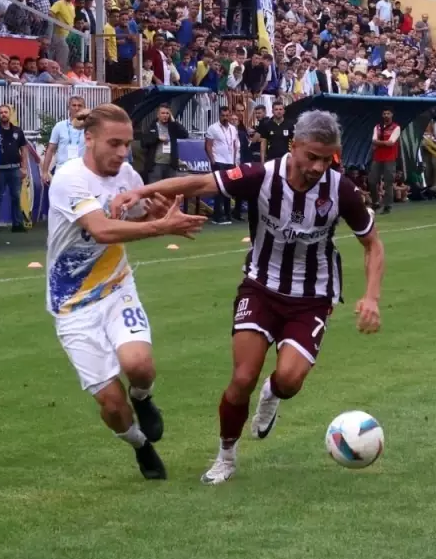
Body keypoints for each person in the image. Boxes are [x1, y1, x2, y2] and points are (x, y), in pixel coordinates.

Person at [111, 110, 384, 484]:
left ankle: (273, 393)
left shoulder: (341, 190)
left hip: (312, 297)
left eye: (327, 158)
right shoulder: (261, 176)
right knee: (242, 378)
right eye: (312, 157)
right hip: (260, 288)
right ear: (295, 147)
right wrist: (142, 191)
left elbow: (372, 244)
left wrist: (371, 297)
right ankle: (226, 456)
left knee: (288, 380)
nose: (319, 166)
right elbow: (202, 183)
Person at [46, 102, 207, 480]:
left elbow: (140, 217)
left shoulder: (128, 175)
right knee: (112, 405)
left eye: (127, 144)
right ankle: (140, 445)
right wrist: (160, 228)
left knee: (139, 365)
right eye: (114, 143)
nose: (122, 153)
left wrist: (160, 213)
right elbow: (101, 229)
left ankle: (144, 396)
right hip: (72, 306)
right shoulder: (70, 178)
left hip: (117, 289)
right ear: (89, 139)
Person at [0, 103, 30, 234]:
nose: (3, 114)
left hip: (15, 168)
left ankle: (17, 224)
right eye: (1, 112)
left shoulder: (17, 131)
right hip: (0, 169)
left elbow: (24, 149)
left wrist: (24, 168)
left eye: (5, 112)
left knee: (16, 196)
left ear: (10, 114)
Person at [204, 107, 240, 225]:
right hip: (218, 161)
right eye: (223, 115)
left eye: (227, 115)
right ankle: (217, 216)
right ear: (219, 116)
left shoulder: (233, 129)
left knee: (228, 189)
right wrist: (213, 161)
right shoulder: (213, 128)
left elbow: (234, 146)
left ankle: (228, 215)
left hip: (230, 162)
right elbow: (208, 146)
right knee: (219, 189)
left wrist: (234, 161)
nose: (225, 118)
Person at [41, 95, 87, 185]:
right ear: (69, 107)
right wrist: (45, 172)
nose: (77, 108)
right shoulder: (59, 126)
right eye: (74, 105)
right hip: (62, 171)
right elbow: (50, 149)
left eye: (80, 105)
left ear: (84, 108)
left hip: (82, 171)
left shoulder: (89, 127)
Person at [140, 104, 188, 183]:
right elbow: (143, 143)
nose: (165, 115)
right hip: (156, 165)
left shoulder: (172, 127)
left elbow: (185, 134)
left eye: (167, 113)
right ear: (158, 115)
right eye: (162, 113)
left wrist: (174, 121)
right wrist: (157, 138)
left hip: (170, 165)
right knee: (155, 190)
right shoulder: (152, 127)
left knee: (170, 191)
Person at [367, 107, 399, 214]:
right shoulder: (377, 127)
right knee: (372, 181)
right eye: (384, 113)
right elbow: (374, 140)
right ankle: (376, 202)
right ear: (382, 115)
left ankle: (387, 205)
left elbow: (391, 142)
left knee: (388, 182)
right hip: (378, 157)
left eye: (388, 113)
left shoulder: (396, 127)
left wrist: (379, 143)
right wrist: (384, 143)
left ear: (392, 115)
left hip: (390, 158)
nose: (386, 115)